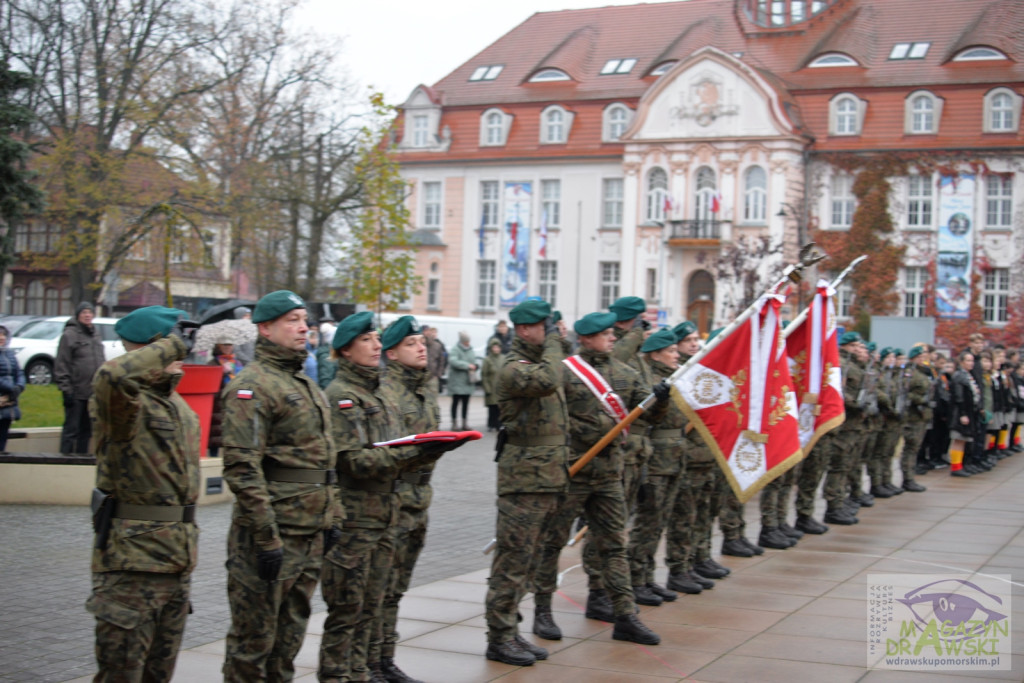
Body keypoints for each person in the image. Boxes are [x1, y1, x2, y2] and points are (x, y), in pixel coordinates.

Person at [320, 312, 460, 682]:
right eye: (367, 340)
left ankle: (371, 667)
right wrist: (416, 453)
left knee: (378, 601)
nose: (376, 346)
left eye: (377, 339)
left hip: (391, 508)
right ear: (345, 350)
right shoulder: (343, 397)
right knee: (348, 610)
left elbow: (397, 444)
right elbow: (352, 460)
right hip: (358, 516)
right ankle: (343, 674)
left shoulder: (380, 392)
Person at [221, 291, 342, 682]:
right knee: (252, 643)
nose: (303, 327)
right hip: (273, 536)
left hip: (309, 533)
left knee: (288, 642)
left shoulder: (304, 383)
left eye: (304, 319)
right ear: (265, 328)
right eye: (292, 320)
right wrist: (266, 537)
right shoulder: (253, 385)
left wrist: (333, 515)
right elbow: (243, 467)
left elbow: (325, 461)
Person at [532, 311, 666, 647]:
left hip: (609, 475)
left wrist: (661, 401)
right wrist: (588, 432)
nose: (611, 337)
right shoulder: (565, 373)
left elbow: (647, 415)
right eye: (605, 333)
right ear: (586, 338)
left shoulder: (624, 372)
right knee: (552, 543)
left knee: (614, 545)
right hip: (573, 472)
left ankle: (625, 615)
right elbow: (552, 418)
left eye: (612, 332)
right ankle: (542, 610)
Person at [86, 305, 200, 682]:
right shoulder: (124, 402)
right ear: (156, 347)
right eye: (173, 343)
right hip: (132, 567)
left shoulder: (178, 406)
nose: (182, 351)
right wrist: (169, 346)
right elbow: (111, 375)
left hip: (174, 564)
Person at [486, 299, 567, 666]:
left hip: (547, 480)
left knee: (529, 562)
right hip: (523, 484)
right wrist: (554, 343)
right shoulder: (514, 369)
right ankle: (499, 638)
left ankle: (512, 632)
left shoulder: (539, 364)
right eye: (543, 327)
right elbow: (549, 380)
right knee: (512, 564)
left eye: (550, 326)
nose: (551, 333)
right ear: (523, 330)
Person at [375, 315, 443, 683]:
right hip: (395, 499)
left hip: (420, 497)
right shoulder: (386, 392)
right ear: (393, 354)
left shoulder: (426, 389)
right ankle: (373, 660)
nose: (422, 348)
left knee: (398, 588)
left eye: (422, 342)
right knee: (382, 588)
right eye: (412, 344)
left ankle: (386, 657)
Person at [626, 328, 684, 604]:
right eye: (671, 351)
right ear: (655, 354)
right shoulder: (645, 378)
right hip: (654, 459)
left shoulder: (673, 377)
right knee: (646, 522)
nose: (677, 355)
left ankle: (648, 577)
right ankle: (635, 579)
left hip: (673, 457)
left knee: (659, 521)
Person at [56, 301, 106, 454]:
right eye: (84, 312)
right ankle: (65, 460)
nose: (87, 315)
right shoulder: (69, 335)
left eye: (90, 312)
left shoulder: (95, 334)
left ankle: (81, 459)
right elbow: (62, 363)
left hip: (92, 393)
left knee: (87, 430)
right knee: (71, 429)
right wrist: (66, 389)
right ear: (78, 315)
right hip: (75, 391)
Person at [900, 346, 933, 492]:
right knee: (910, 448)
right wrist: (921, 400)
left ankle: (910, 477)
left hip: (921, 417)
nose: (923, 359)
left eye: (924, 356)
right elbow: (905, 393)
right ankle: (907, 478)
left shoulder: (922, 372)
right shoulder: (910, 373)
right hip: (912, 416)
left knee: (914, 448)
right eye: (920, 357)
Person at [208, 338, 244, 458]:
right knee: (216, 437)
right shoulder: (212, 363)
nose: (228, 347)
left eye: (230, 344)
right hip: (218, 406)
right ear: (218, 345)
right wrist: (221, 373)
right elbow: (210, 386)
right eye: (225, 344)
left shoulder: (238, 363)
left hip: (234, 404)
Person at [949, 351, 981, 477]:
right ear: (961, 362)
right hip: (960, 413)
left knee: (964, 440)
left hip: (969, 411)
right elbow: (959, 397)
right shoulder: (959, 376)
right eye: (968, 360)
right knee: (959, 439)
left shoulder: (968, 375)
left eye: (972, 360)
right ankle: (955, 467)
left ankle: (960, 465)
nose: (971, 363)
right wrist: (962, 413)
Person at [0, 324, 25, 451]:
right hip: (3, 397)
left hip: (9, 403)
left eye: (3, 335)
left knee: (3, 435)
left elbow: (19, 372)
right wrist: (11, 387)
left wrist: (19, 386)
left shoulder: (9, 354)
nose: (2, 338)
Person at [447, 331, 477, 430]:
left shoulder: (471, 349)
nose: (468, 343)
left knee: (465, 403)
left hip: (468, 381)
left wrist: (476, 365)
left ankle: (464, 423)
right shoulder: (455, 349)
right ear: (462, 341)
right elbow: (453, 361)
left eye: (468, 341)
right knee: (455, 403)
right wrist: (467, 365)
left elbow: (474, 361)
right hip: (457, 382)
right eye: (466, 341)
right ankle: (454, 423)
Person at [481, 340, 503, 431]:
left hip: (501, 388)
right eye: (494, 347)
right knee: (492, 408)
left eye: (498, 347)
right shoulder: (487, 360)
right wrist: (487, 388)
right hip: (491, 387)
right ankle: (491, 424)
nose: (496, 349)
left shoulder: (503, 358)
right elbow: (484, 375)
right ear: (491, 348)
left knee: (500, 407)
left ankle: (499, 424)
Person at [423, 326, 447, 391]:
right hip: (421, 376)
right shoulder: (420, 344)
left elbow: (442, 360)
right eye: (425, 331)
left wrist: (439, 374)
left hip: (433, 376)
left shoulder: (438, 345)